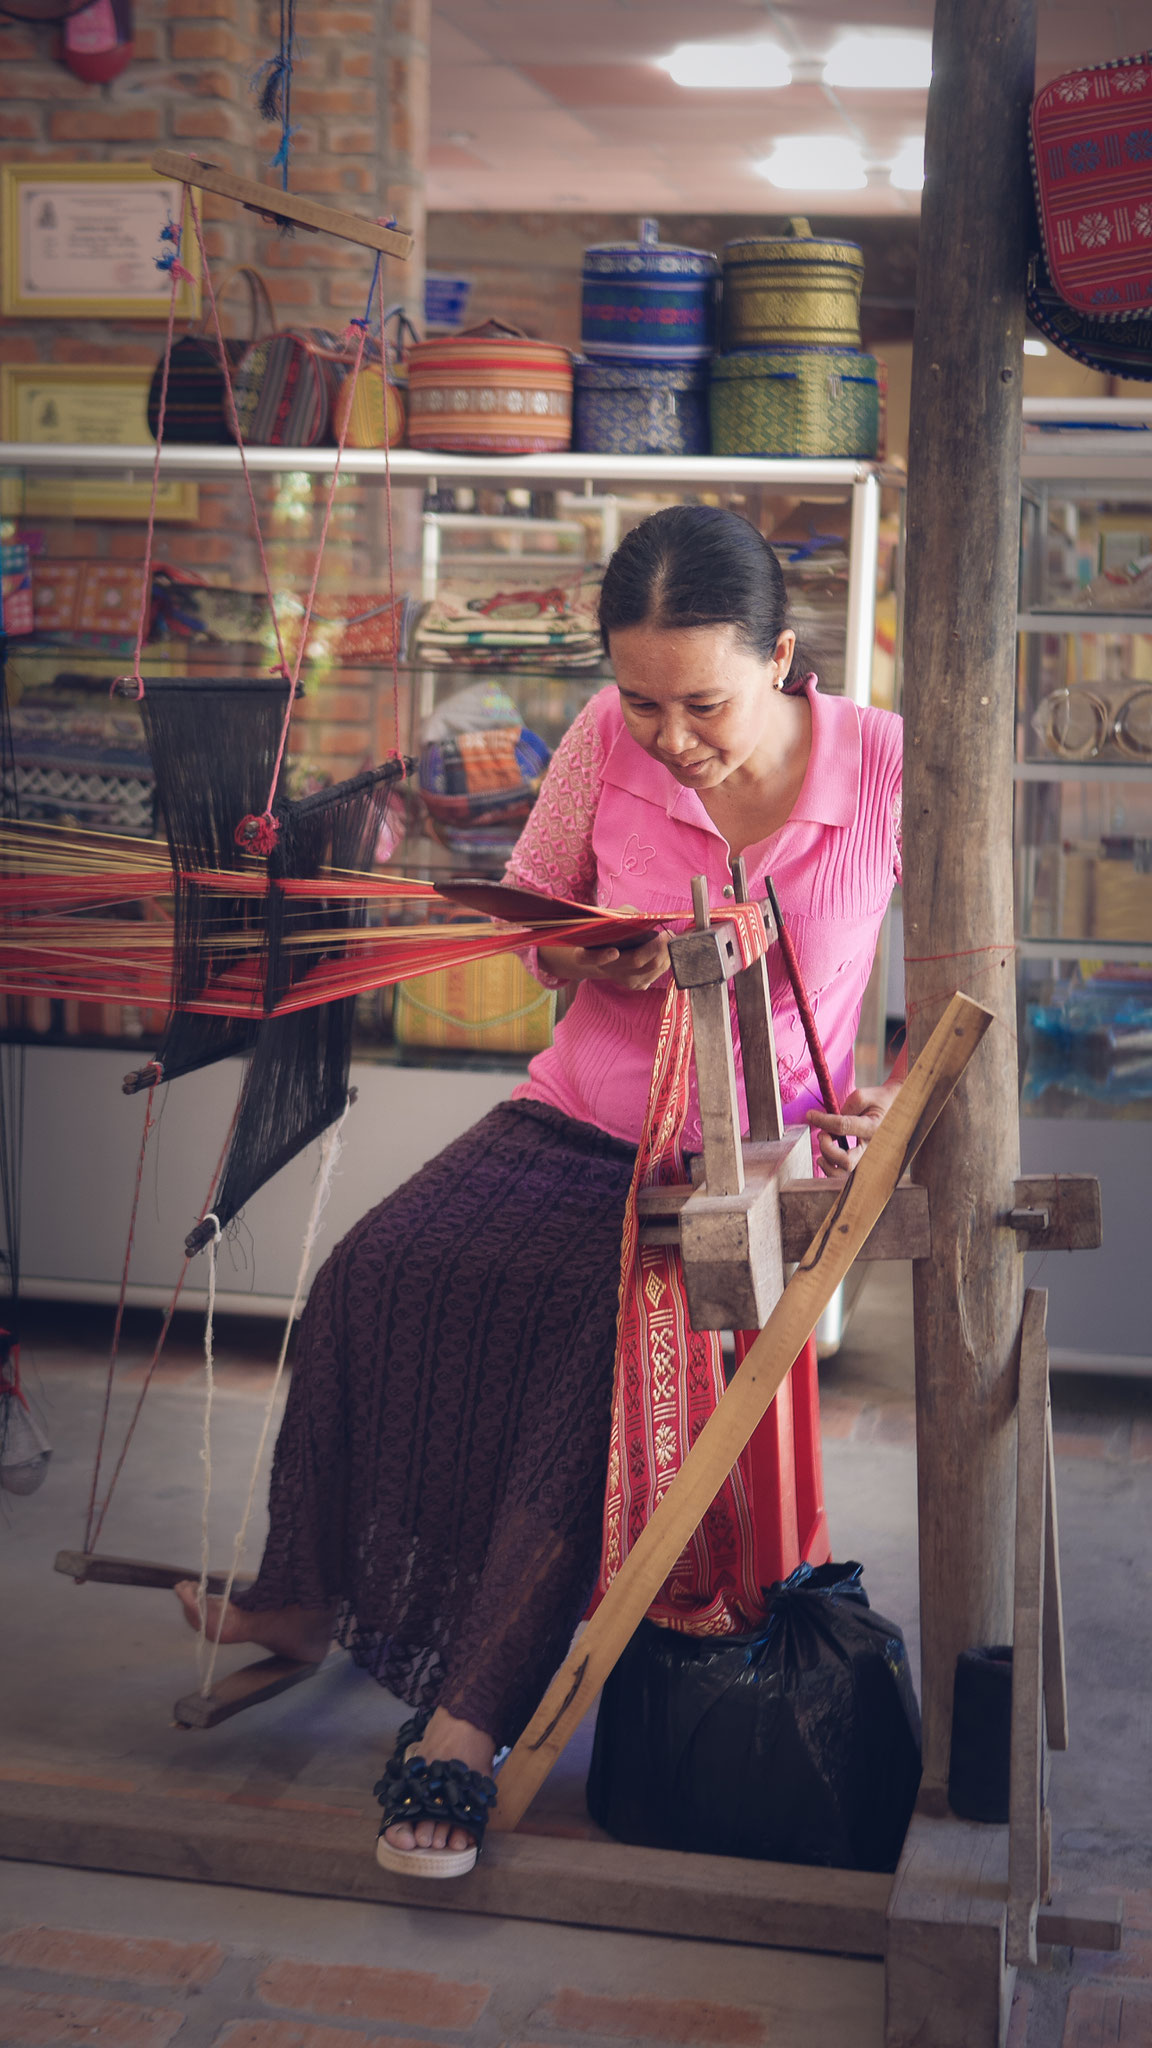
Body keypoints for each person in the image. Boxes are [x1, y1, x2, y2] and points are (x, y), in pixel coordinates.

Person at [174, 503, 904, 1878]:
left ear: (788, 659)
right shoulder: (598, 738)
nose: (672, 736)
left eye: (705, 702)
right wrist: (589, 962)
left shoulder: (883, 766)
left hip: (737, 1151)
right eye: (643, 702)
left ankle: (463, 1731)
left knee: (591, 1356)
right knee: (374, 1272)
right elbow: (528, 909)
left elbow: (967, 950)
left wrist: (892, 1092)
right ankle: (300, 1597)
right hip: (576, 1110)